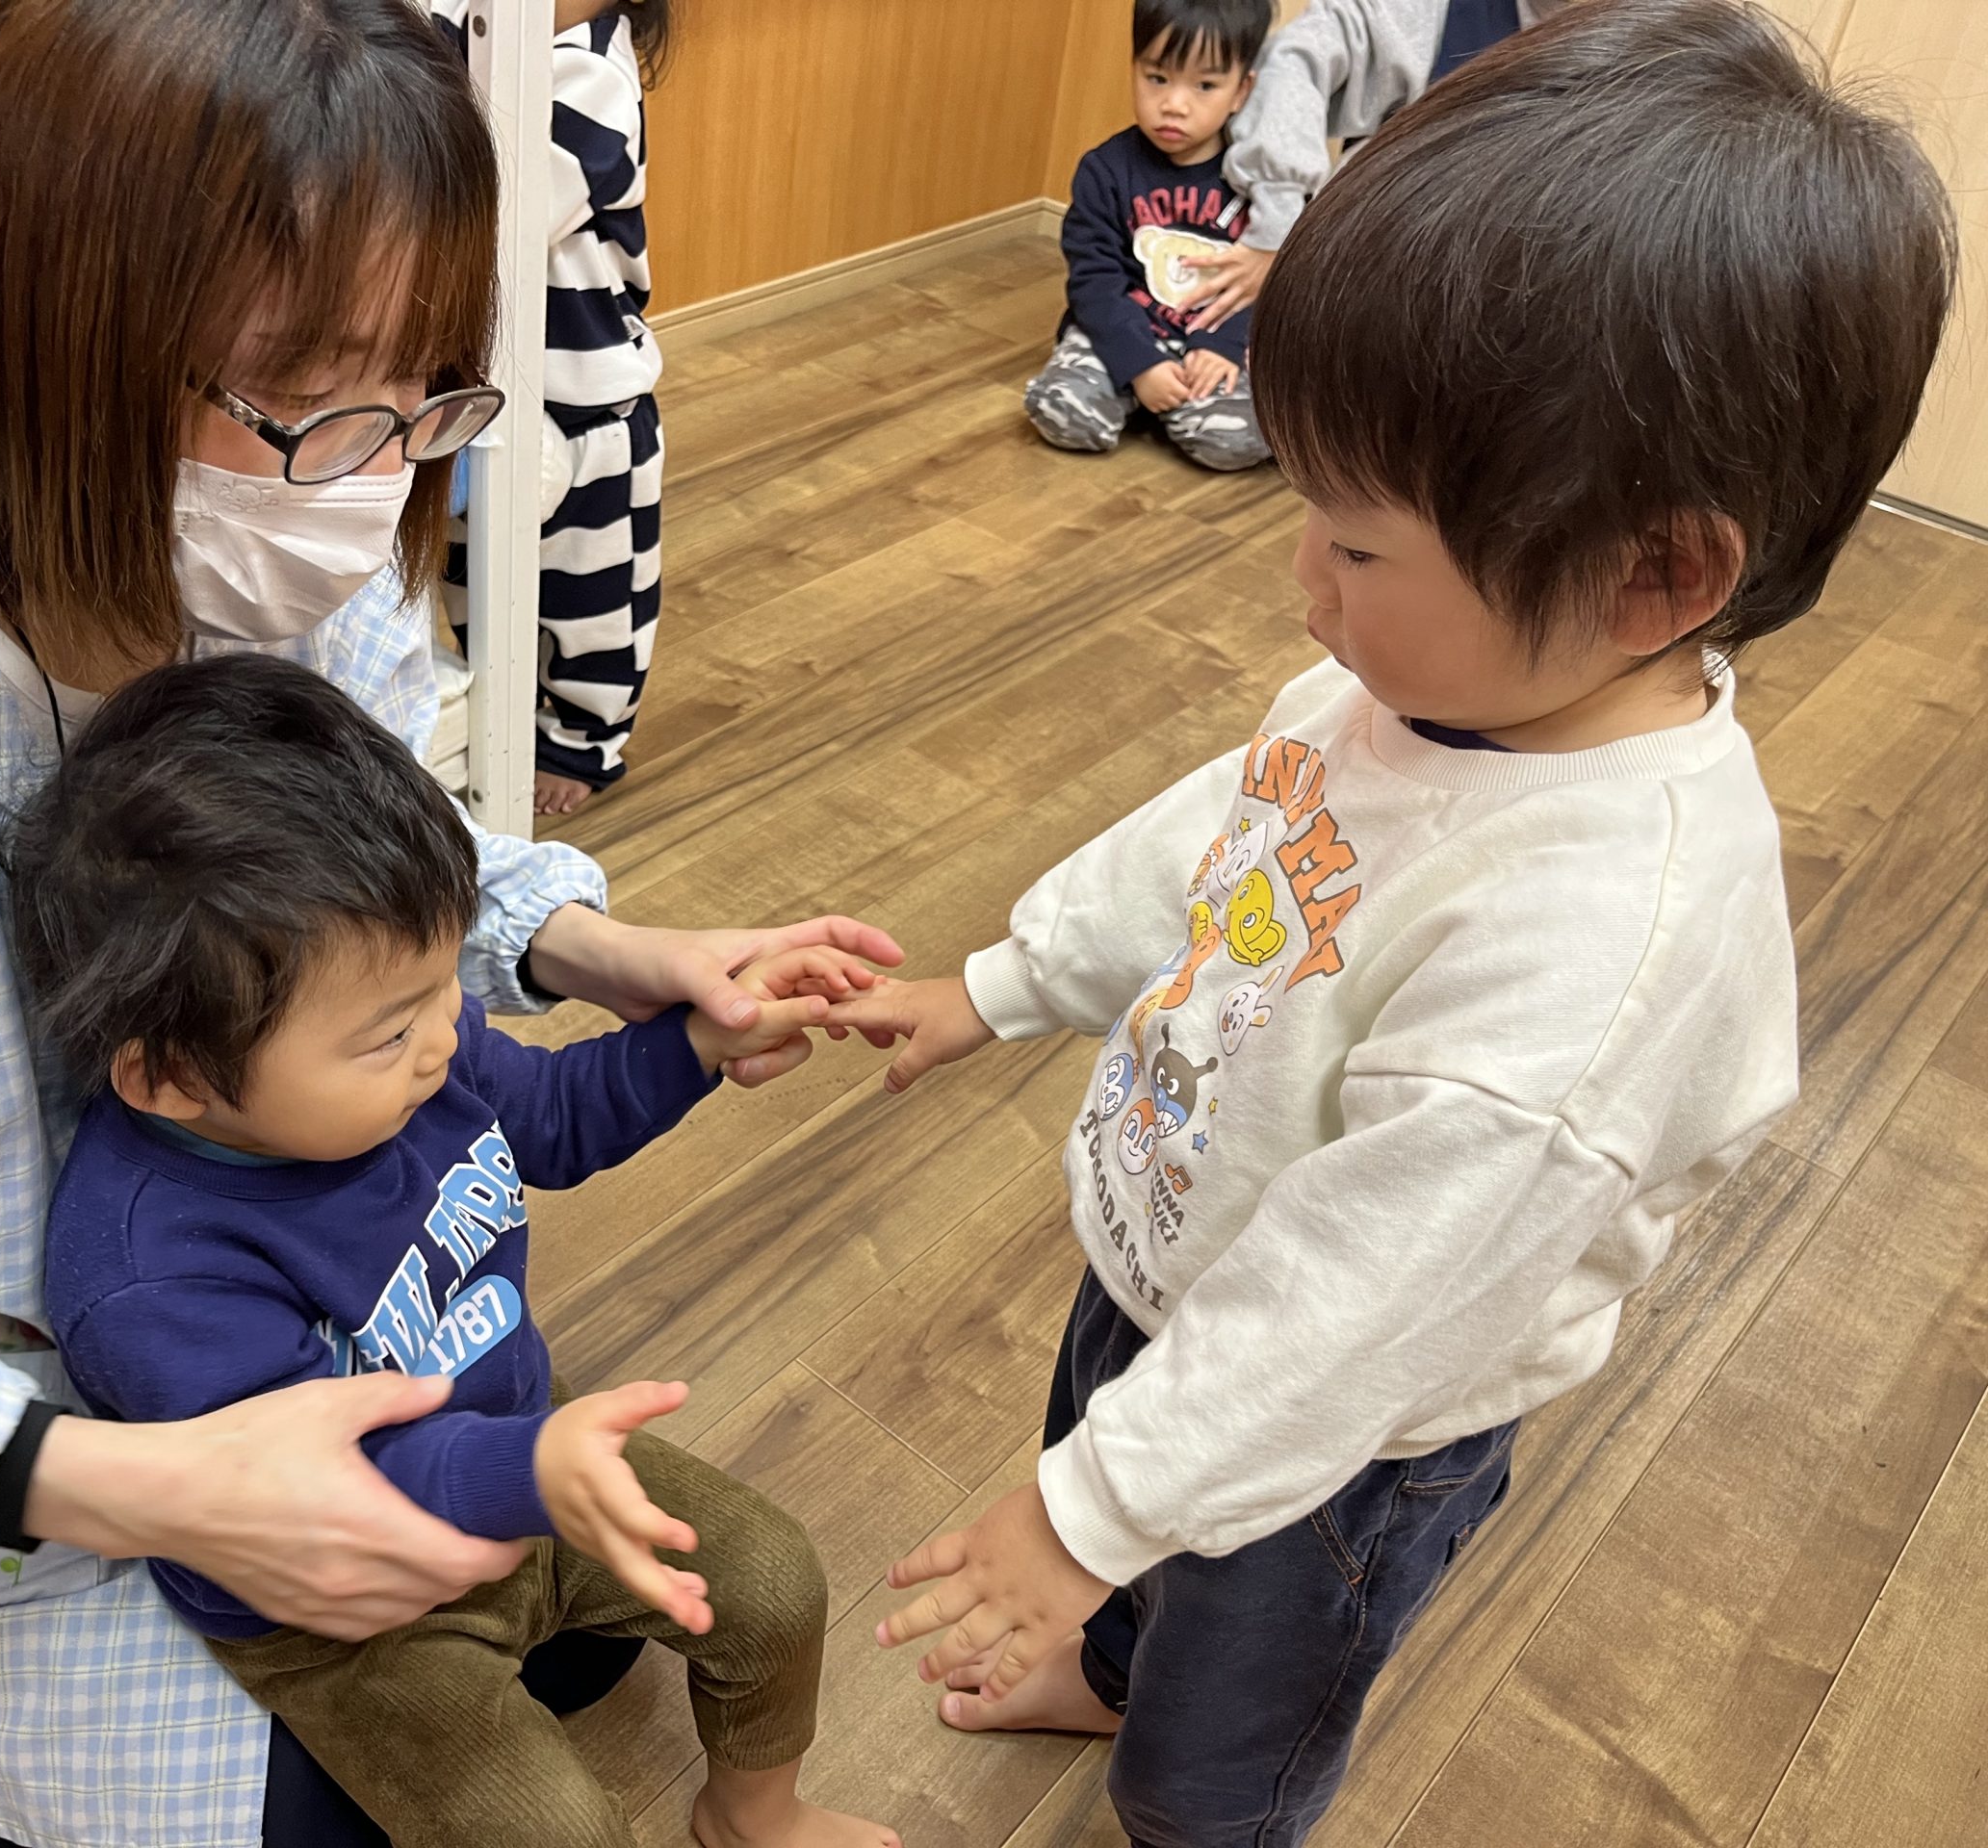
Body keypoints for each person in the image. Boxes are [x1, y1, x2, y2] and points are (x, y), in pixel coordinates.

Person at [0, 5, 897, 1847]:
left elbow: (389, 866)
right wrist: (131, 1485)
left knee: (566, 1641)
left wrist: (602, 956)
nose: (373, 481)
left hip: (298, 1336)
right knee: (384, 1780)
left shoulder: (274, 514)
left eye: (424, 390)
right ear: (29, 320)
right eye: (311, 393)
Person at [827, 4, 1954, 1842]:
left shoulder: (1601, 951)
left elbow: (1358, 1306)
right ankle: (1112, 1667)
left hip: (1350, 1433)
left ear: (1656, 575)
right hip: (1180, 1267)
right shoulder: (1409, 694)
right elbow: (1232, 841)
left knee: (1218, 1743)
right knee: (1132, 1545)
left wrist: (1089, 1512)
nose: (1305, 584)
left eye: (1358, 546)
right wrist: (1010, 980)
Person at [10, 651, 899, 1848]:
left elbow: (553, 1116)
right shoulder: (149, 1272)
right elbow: (315, 1491)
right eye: (391, 1031)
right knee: (553, 1830)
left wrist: (699, 1039)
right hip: (346, 1604)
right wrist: (530, 1470)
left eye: (445, 986)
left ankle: (752, 1815)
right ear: (172, 1077)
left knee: (776, 1581)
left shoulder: (418, 1051)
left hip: (521, 1440)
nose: (446, 1037)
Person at [436, 0, 674, 817]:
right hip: (485, 392)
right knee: (475, 571)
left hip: (588, 404)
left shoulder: (592, 76)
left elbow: (501, 221)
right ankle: (500, 707)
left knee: (593, 597)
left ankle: (582, 737)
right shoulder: (462, 22)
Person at [1181, 0, 1564, 335]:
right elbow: (1293, 62)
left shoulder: (1602, 53)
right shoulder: (1429, 13)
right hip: (1381, 285)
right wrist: (1275, 225)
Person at [1025, 0, 1276, 472]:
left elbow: (1271, 283)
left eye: (1205, 85)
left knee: (1238, 441)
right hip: (1124, 330)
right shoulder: (1104, 170)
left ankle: (1164, 404)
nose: (1174, 105)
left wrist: (1221, 346)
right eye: (1157, 78)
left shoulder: (1267, 182)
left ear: (1241, 90)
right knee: (1062, 414)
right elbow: (1094, 282)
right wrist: (1138, 363)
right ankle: (1139, 393)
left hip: (1215, 342)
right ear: (1134, 69)